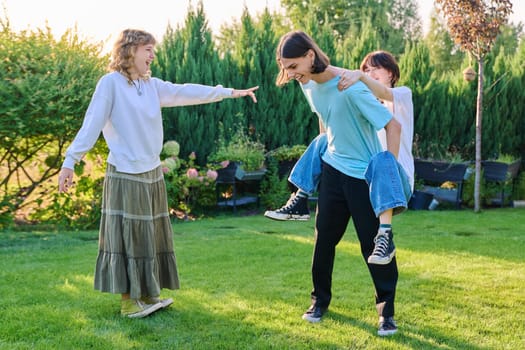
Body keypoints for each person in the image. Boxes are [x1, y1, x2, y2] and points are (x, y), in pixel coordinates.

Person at [58, 29, 258, 319]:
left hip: (151, 173)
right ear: (130, 51)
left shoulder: (150, 85)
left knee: (149, 236)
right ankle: (129, 301)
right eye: (148, 50)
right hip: (125, 173)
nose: (153, 56)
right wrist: (70, 161)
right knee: (129, 237)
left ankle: (148, 294)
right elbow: (91, 124)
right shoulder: (110, 84)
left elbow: (185, 90)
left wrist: (228, 93)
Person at [275, 30, 402, 336]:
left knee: (373, 245)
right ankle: (319, 302)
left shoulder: (350, 86)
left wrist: (388, 170)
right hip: (333, 172)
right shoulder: (307, 86)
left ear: (309, 56)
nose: (289, 74)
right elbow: (325, 120)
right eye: (285, 68)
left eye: (293, 66)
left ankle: (386, 314)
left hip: (364, 176)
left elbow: (392, 124)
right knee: (324, 241)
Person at [265, 50, 414, 266]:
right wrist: (304, 71)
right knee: (322, 140)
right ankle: (300, 196)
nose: (369, 72)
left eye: (375, 68)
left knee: (383, 160)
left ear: (391, 73)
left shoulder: (402, 96)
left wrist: (358, 75)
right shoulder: (358, 99)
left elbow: (383, 92)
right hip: (365, 177)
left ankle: (385, 233)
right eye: (365, 69)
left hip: (395, 182)